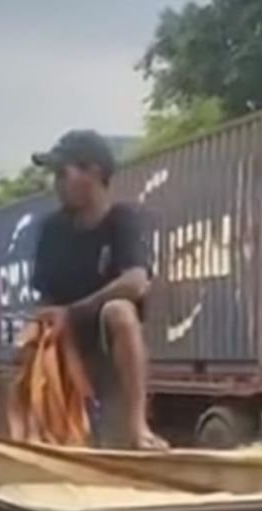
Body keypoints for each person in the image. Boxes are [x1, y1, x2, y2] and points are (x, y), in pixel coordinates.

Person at [31, 129, 165, 450]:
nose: (57, 185)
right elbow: (45, 297)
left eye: (62, 174)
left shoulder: (123, 220)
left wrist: (72, 311)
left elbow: (135, 282)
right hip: (66, 341)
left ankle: (137, 426)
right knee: (36, 331)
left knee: (120, 310)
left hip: (108, 344)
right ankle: (48, 426)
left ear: (92, 173)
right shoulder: (52, 230)